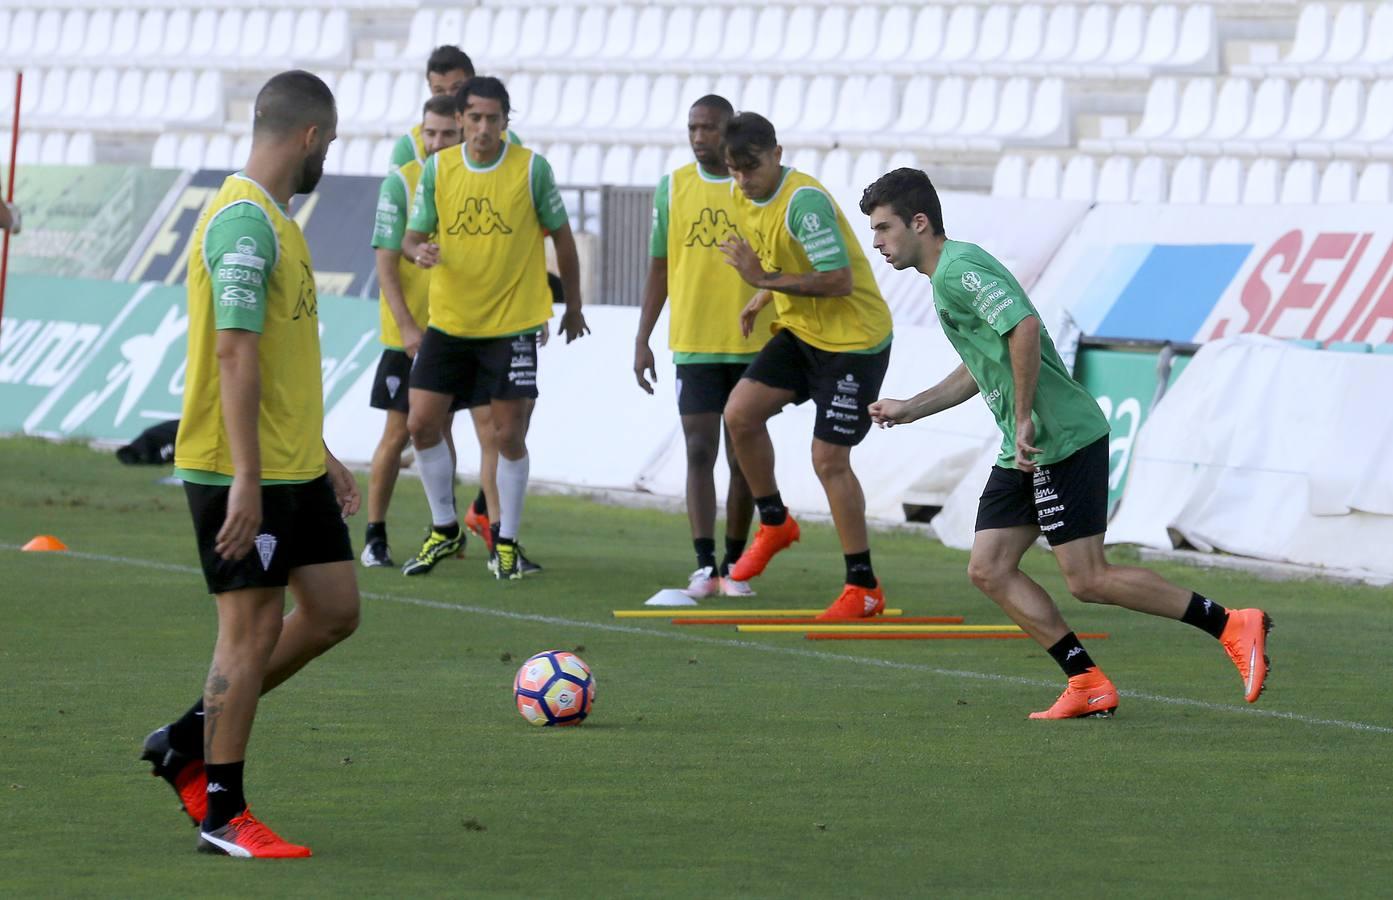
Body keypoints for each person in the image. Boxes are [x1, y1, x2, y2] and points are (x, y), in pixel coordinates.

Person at [859, 167, 1272, 719]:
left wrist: (1026, 416)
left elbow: (1023, 327)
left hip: (1060, 439)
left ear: (919, 222)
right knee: (989, 567)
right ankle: (1086, 681)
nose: (879, 243)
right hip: (1027, 447)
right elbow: (983, 363)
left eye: (884, 229)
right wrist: (912, 407)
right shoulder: (945, 279)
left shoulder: (959, 269)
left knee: (1089, 578)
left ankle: (1230, 623)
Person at [142, 71, 360, 857]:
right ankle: (223, 815)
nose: (326, 156)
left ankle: (184, 738)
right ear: (308, 137)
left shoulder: (278, 223)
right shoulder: (244, 224)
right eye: (328, 143)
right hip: (243, 470)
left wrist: (323, 455)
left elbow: (279, 358)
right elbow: (233, 355)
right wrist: (242, 476)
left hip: (291, 465)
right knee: (252, 627)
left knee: (335, 610)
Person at [401, 76, 588, 580]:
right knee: (419, 423)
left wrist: (572, 305)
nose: (484, 128)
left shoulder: (530, 171)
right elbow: (411, 236)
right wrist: (418, 250)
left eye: (493, 119)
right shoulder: (439, 169)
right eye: (475, 118)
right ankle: (445, 528)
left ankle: (506, 541)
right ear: (460, 119)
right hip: (450, 323)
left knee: (508, 435)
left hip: (511, 325)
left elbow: (564, 240)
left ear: (507, 121)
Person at [716, 112, 894, 619]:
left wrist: (764, 280)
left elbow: (837, 280)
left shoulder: (804, 203)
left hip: (854, 342)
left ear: (776, 153)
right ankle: (774, 521)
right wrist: (762, 296)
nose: (742, 180)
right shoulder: (742, 196)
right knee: (740, 415)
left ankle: (864, 586)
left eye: (751, 167)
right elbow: (780, 264)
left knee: (828, 460)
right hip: (803, 332)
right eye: (734, 169)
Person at [388, 45, 525, 554]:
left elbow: (528, 234)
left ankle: (492, 529)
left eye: (456, 92)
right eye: (440, 92)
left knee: (493, 428)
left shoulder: (514, 156)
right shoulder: (411, 155)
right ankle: (444, 523)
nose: (448, 102)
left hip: (497, 317)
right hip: (438, 317)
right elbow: (395, 240)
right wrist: (404, 315)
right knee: (421, 423)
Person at [634, 95, 771, 599]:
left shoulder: (753, 187)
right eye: (692, 127)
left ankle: (735, 564)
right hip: (692, 341)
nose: (698, 137)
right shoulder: (672, 187)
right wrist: (642, 337)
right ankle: (702, 564)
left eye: (708, 128)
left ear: (728, 129)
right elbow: (658, 266)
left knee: (741, 458)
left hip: (751, 341)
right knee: (697, 449)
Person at [363, 94, 470, 568]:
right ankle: (374, 536)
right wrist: (406, 325)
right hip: (407, 333)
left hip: (455, 329)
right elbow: (385, 260)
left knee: (442, 429)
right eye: (430, 134)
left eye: (447, 134)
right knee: (397, 431)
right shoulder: (401, 185)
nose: (437, 142)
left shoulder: (470, 185)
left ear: (462, 133)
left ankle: (444, 528)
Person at [388, 45, 524, 172]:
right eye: (439, 90)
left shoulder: (508, 139)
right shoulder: (409, 147)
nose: (450, 97)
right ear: (430, 89)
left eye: (457, 88)